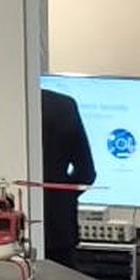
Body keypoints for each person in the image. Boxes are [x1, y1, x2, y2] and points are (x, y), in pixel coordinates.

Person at [37, 85, 97, 270]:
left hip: (7, 232)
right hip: (58, 229)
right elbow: (86, 172)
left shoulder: (1, 105)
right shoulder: (63, 105)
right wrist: (60, 197)